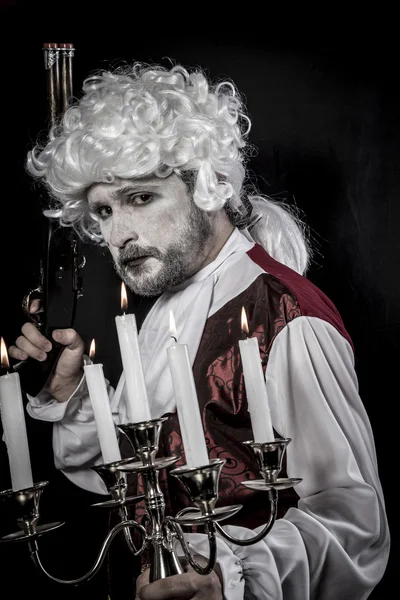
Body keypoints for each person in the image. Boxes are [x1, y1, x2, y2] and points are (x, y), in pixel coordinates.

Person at [9, 62, 389, 599]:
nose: (119, 235)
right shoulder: (165, 306)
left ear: (206, 185)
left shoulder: (285, 316)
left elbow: (355, 525)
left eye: (141, 197)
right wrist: (70, 392)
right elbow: (134, 484)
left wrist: (231, 576)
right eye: (102, 211)